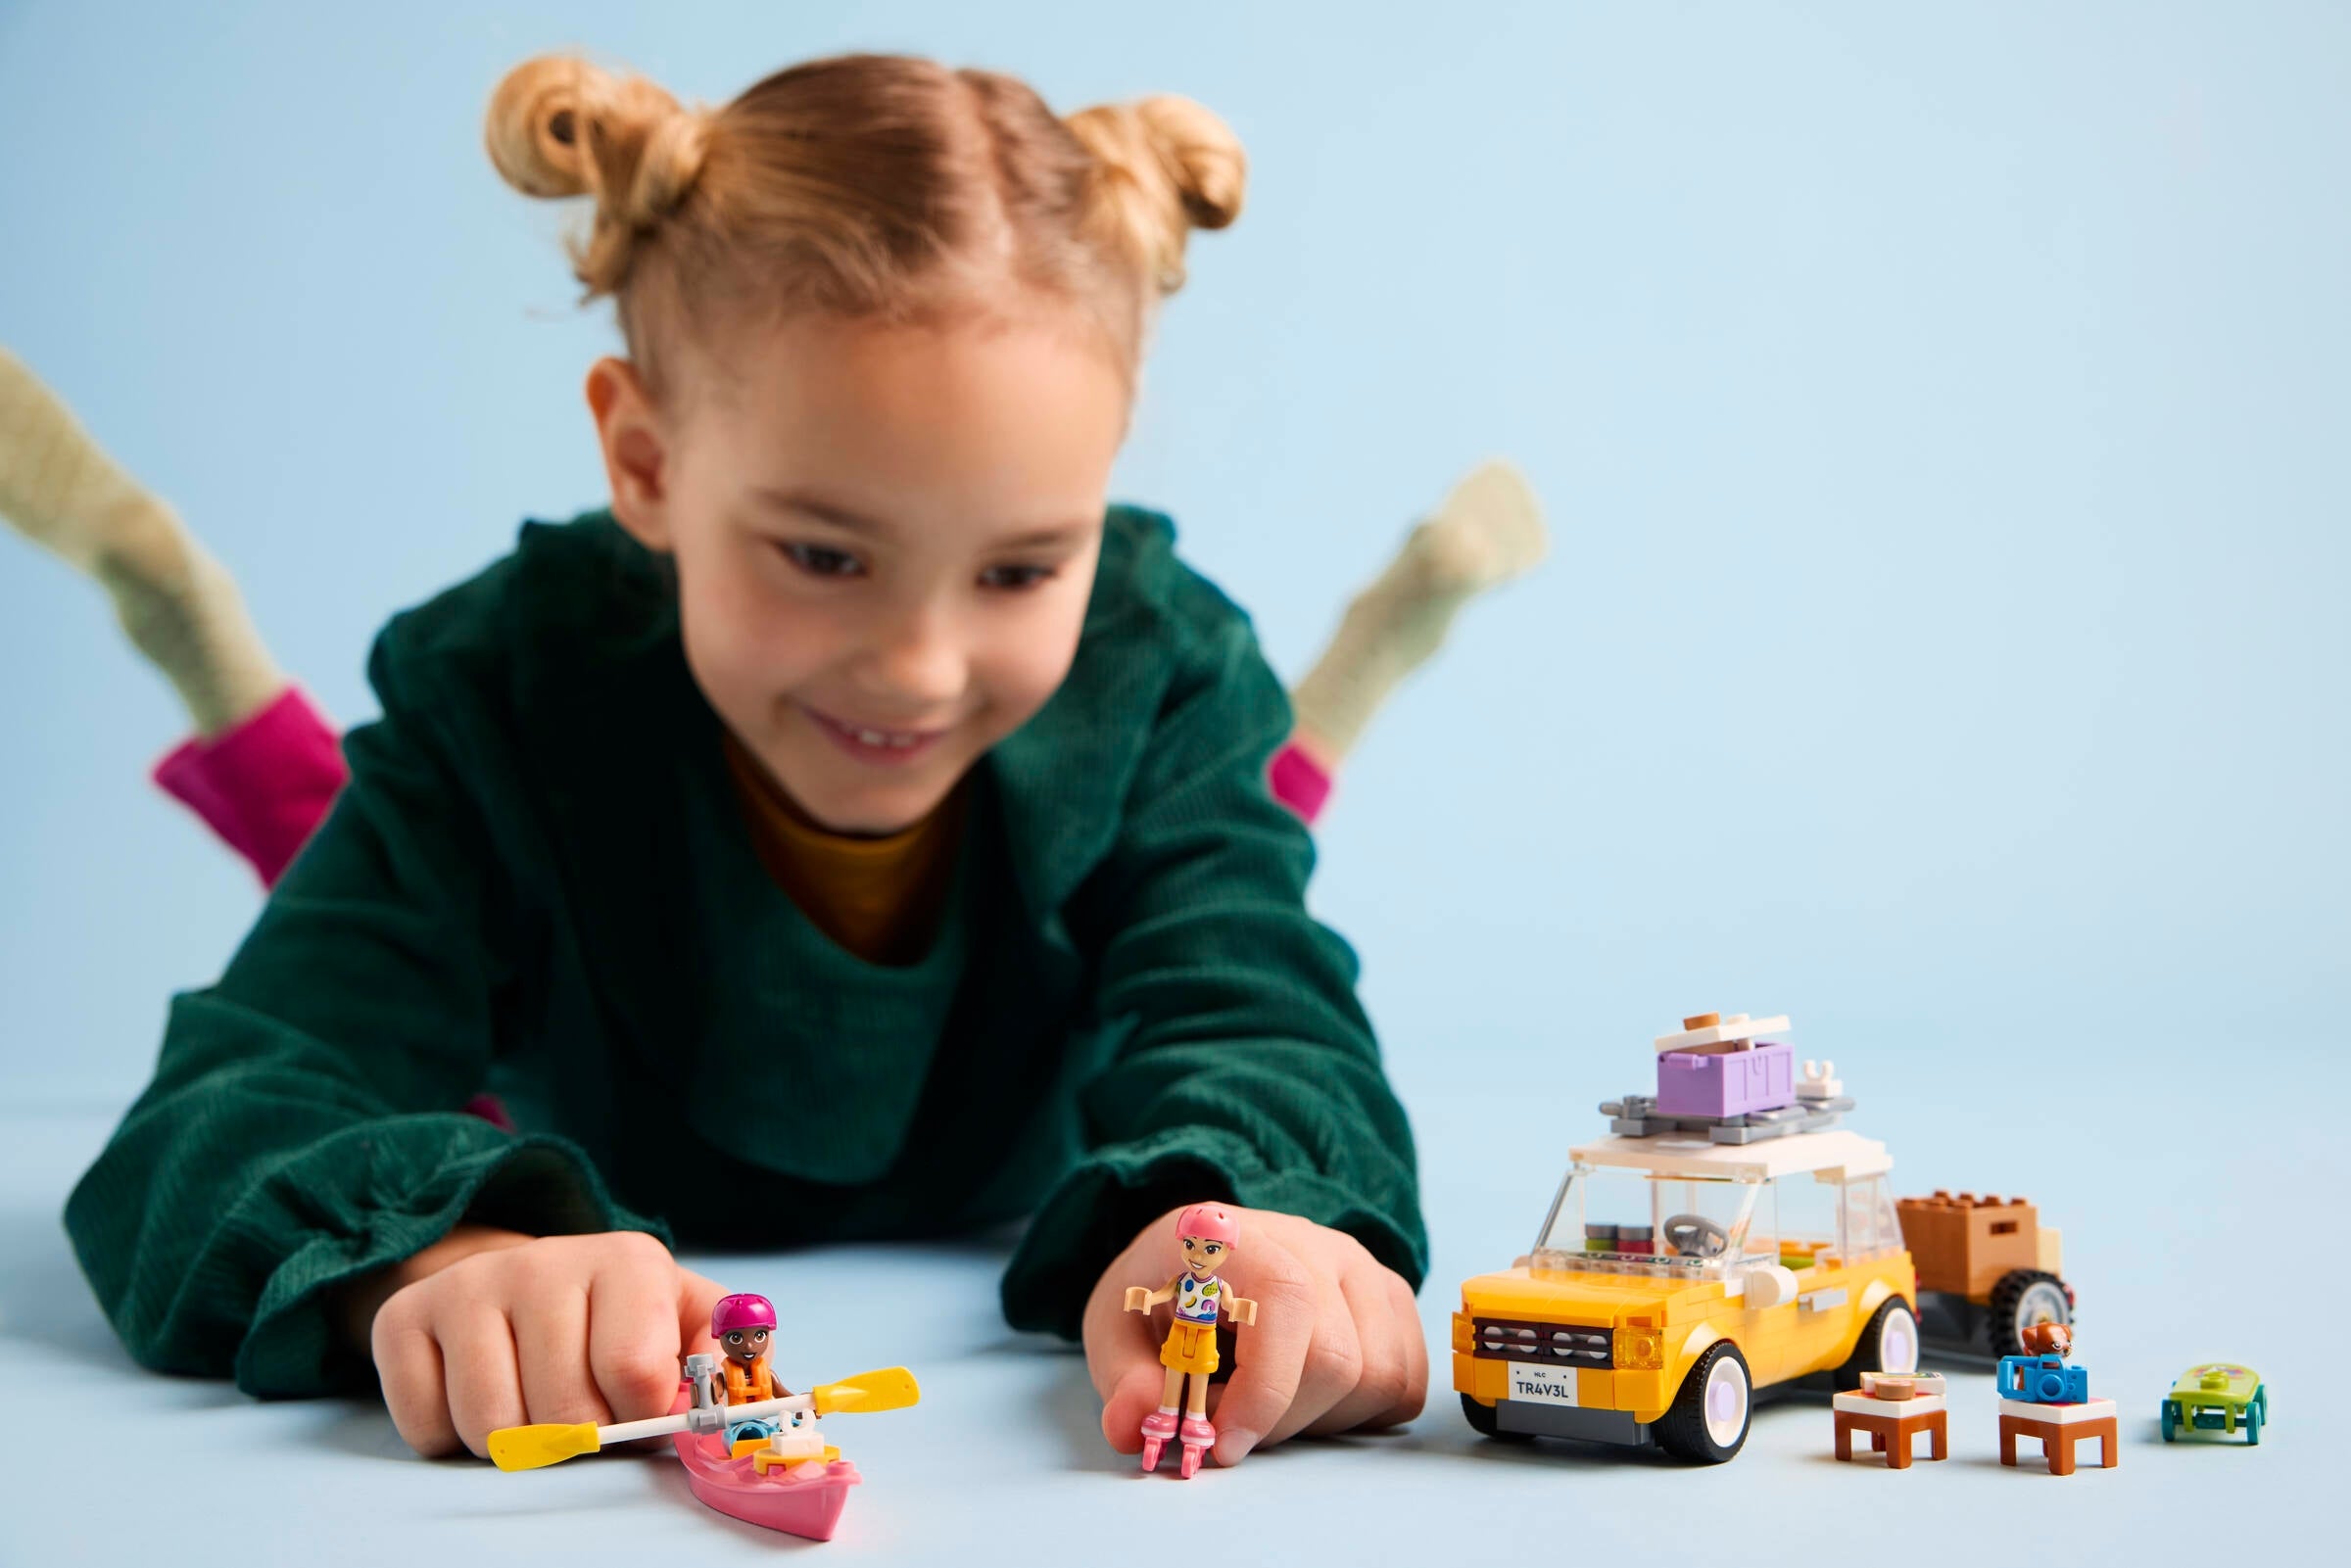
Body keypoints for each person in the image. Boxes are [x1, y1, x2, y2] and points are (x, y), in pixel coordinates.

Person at [6, 48, 1541, 1473]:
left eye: (1020, 569)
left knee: (1262, 788)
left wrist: (1240, 1222)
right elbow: (238, 1094)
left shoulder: (1157, 667)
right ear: (647, 463)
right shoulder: (509, 684)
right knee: (308, 825)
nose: (919, 668)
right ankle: (175, 597)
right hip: (564, 1043)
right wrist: (447, 1254)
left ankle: (1361, 651)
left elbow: (1256, 1008)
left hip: (1054, 1014)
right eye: (822, 551)